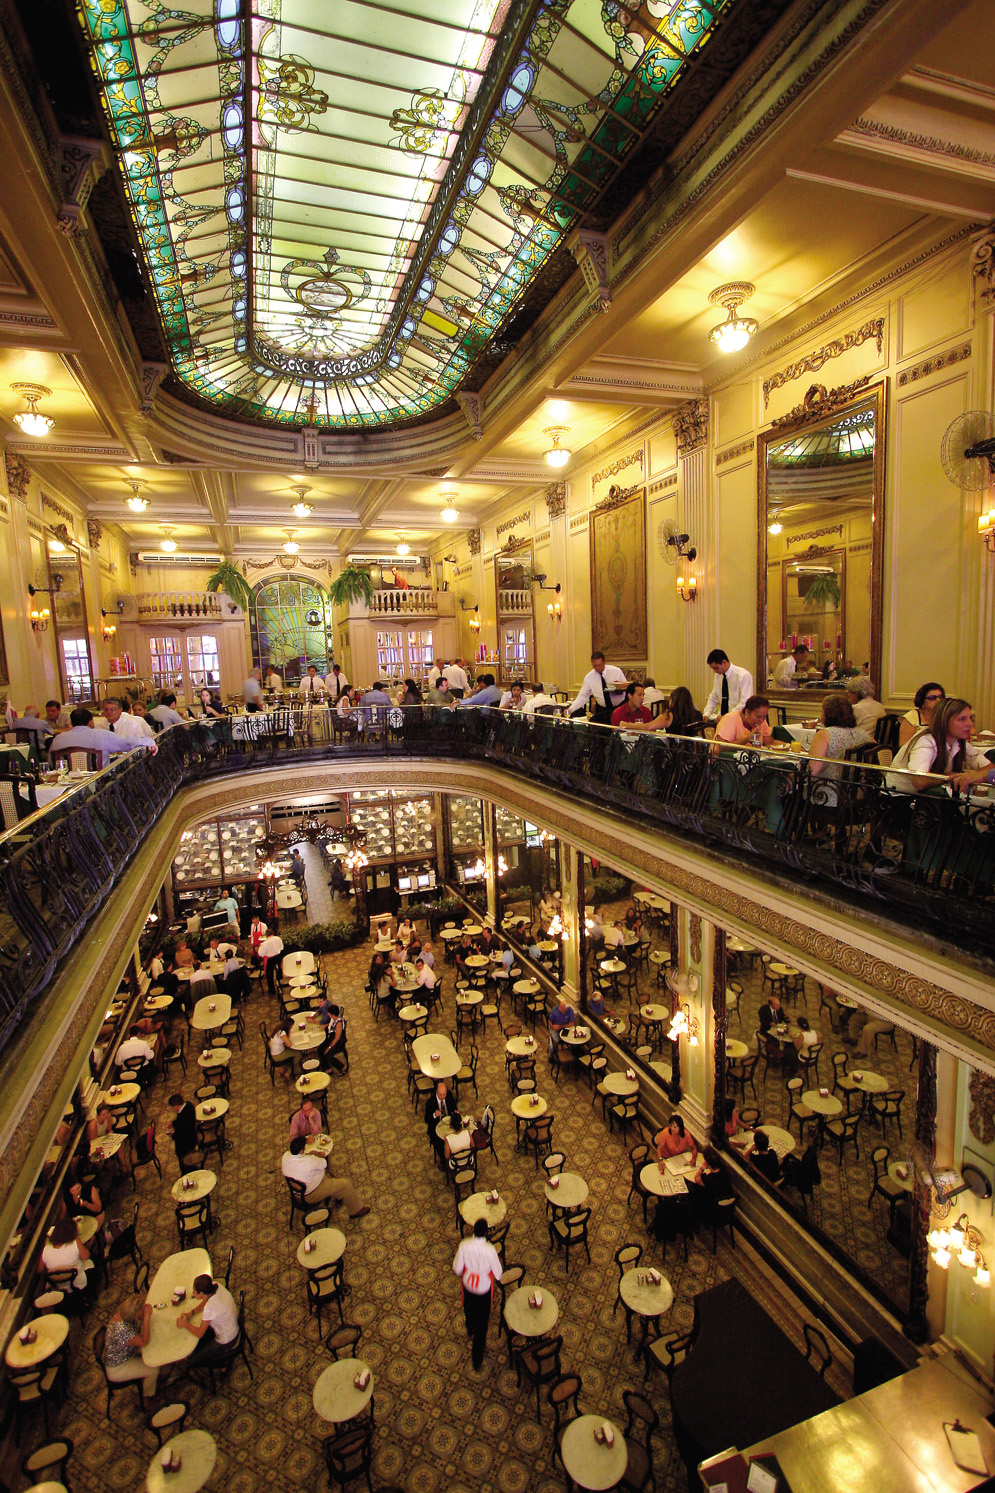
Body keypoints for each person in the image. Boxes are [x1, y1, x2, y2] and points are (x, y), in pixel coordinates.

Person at [888, 697, 991, 793]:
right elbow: (919, 781)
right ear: (944, 721)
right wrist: (949, 776)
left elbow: (989, 767)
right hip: (900, 799)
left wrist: (974, 776)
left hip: (928, 797)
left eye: (970, 718)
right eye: (962, 719)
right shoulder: (926, 741)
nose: (970, 724)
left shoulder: (958, 741)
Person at [452, 1216, 503, 1371]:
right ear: (486, 1232)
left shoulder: (464, 1245)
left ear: (473, 1230)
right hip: (483, 1290)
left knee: (468, 1309)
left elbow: (457, 1269)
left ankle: (469, 1327)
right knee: (482, 1327)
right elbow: (499, 1274)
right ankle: (477, 1359)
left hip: (468, 1285)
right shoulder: (490, 1250)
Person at [281, 1135, 369, 1217]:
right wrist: (317, 1154)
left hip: (296, 1192)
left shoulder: (285, 1156)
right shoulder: (308, 1162)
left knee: (330, 1177)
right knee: (346, 1184)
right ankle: (356, 1210)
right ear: (301, 1151)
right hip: (312, 1194)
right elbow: (323, 1163)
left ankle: (339, 1195)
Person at [807, 696, 874, 802]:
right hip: (858, 795)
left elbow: (814, 769)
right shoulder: (864, 735)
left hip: (829, 795)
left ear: (828, 714)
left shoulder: (825, 735)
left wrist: (793, 777)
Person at [102, 1294, 159, 1398]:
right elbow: (144, 1341)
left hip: (127, 1351)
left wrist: (145, 1312)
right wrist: (146, 1319)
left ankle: (148, 1380)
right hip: (118, 1367)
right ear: (137, 1313)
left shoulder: (123, 1314)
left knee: (154, 1348)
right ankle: (144, 1397)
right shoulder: (123, 1330)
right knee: (153, 1370)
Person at [178, 1273, 240, 1364]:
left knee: (192, 1360)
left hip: (227, 1339)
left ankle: (222, 1364)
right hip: (232, 1323)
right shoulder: (216, 1286)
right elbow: (205, 1301)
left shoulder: (210, 1309)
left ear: (201, 1294)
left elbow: (200, 1333)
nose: (193, 1293)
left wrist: (185, 1324)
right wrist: (191, 1313)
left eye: (195, 1291)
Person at [48, 707, 134, 768]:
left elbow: (51, 763)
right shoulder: (103, 735)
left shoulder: (57, 740)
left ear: (71, 723)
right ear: (91, 722)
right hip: (100, 785)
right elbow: (127, 745)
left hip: (67, 788)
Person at [569, 651, 629, 724]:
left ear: (604, 662)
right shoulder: (589, 678)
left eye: (599, 665)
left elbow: (627, 688)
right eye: (595, 666)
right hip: (603, 710)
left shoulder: (616, 671)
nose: (597, 668)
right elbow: (582, 697)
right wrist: (570, 710)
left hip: (619, 707)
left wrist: (618, 688)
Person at [42, 1213, 92, 1289]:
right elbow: (86, 1256)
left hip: (57, 1288)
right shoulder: (75, 1243)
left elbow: (39, 1270)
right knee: (91, 1263)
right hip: (77, 1284)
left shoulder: (46, 1250)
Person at [703, 650, 755, 722]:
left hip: (740, 719)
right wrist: (707, 713)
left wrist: (728, 716)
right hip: (724, 719)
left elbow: (745, 702)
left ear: (724, 662)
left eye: (716, 668)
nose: (714, 671)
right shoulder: (718, 676)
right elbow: (714, 697)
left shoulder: (743, 675)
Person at [898, 681, 945, 748]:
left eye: (940, 697)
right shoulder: (912, 717)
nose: (938, 700)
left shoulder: (945, 715)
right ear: (922, 701)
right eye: (932, 697)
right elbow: (904, 746)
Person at [169, 1093, 198, 1168]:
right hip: (193, 1135)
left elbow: (179, 1135)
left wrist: (172, 1134)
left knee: (185, 1162)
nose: (172, 1109)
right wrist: (173, 1123)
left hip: (186, 1144)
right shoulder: (189, 1105)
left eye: (172, 1107)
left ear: (176, 1106)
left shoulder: (181, 1121)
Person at [258, 930, 284, 994]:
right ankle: (281, 984)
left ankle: (272, 990)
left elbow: (261, 954)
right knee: (279, 970)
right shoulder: (278, 939)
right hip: (278, 957)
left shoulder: (265, 943)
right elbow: (282, 948)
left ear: (266, 935)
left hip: (270, 959)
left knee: (269, 975)